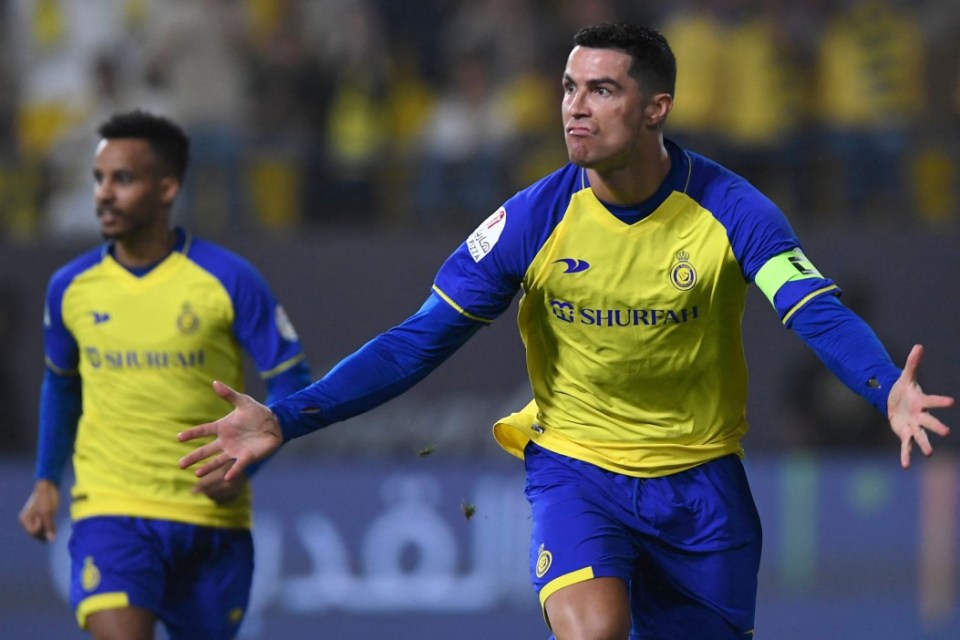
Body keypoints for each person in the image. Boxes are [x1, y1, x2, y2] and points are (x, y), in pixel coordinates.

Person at [178, 23, 953, 640]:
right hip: (579, 474)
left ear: (655, 108)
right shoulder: (532, 220)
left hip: (702, 487)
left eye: (602, 90)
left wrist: (884, 387)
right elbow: (417, 340)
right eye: (569, 87)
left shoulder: (732, 210)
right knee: (596, 630)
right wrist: (288, 415)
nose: (575, 107)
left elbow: (809, 305)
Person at [18, 109, 312, 640]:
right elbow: (61, 384)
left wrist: (242, 469)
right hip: (111, 510)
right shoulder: (70, 287)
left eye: (123, 179)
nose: (104, 193)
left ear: (167, 188)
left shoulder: (229, 279)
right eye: (99, 178)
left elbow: (292, 381)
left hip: (210, 521)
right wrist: (45, 481)